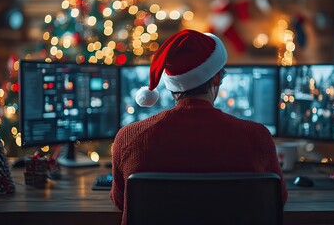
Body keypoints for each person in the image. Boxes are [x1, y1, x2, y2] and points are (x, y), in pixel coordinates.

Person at [110, 29, 288, 224]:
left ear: (170, 85)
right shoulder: (257, 136)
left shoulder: (129, 138)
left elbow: (121, 202)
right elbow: (277, 199)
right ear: (217, 78)